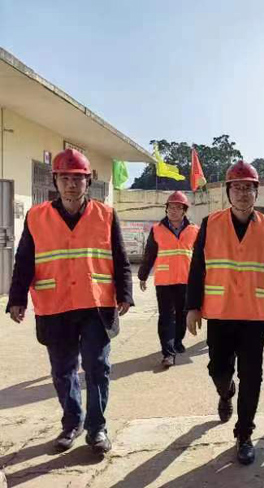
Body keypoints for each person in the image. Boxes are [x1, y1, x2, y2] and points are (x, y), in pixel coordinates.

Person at [6, 149, 133, 454]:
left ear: (88, 181)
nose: (71, 185)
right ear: (56, 181)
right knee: (63, 371)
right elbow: (24, 260)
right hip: (55, 305)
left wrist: (125, 293)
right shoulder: (37, 217)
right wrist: (17, 298)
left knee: (97, 368)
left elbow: (120, 257)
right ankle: (72, 423)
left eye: (78, 178)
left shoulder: (106, 215)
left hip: (95, 305)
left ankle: (97, 428)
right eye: (65, 178)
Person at [185, 160, 264, 466]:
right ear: (228, 192)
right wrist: (192, 307)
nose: (243, 193)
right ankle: (226, 391)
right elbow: (197, 268)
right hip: (220, 313)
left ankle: (244, 434)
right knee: (218, 369)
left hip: (254, 317)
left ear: (256, 193)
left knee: (252, 376)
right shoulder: (210, 223)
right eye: (237, 187)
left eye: (248, 188)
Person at [138, 191, 199, 367]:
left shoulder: (194, 230)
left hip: (186, 280)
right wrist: (142, 275)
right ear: (166, 209)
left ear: (184, 210)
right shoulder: (157, 229)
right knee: (166, 317)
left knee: (182, 315)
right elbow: (149, 254)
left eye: (178, 207)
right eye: (171, 207)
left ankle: (177, 342)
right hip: (164, 281)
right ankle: (168, 353)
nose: (173, 210)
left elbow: (200, 257)